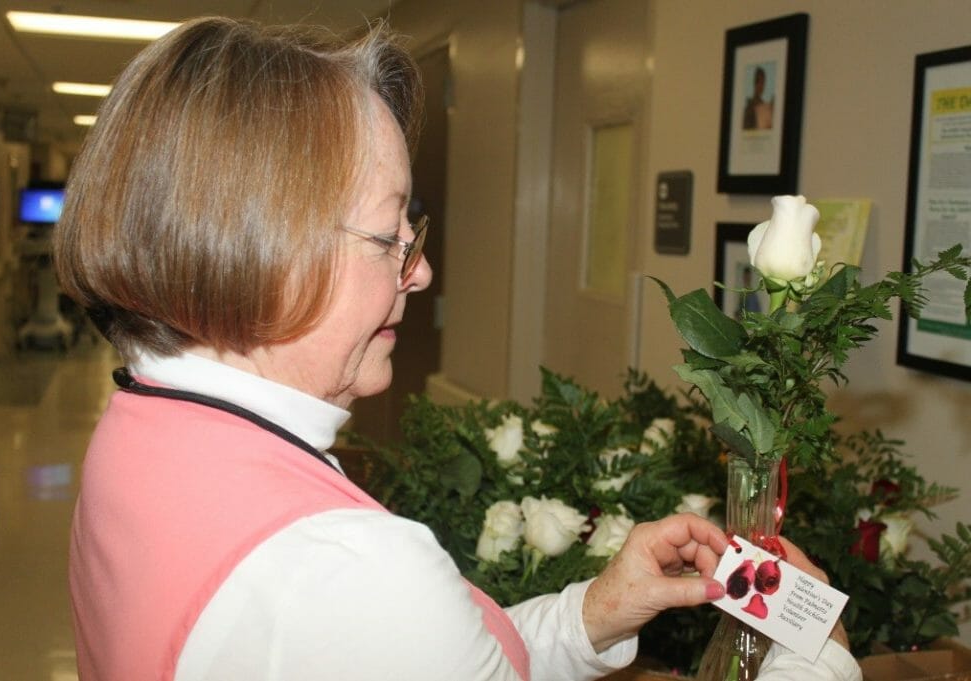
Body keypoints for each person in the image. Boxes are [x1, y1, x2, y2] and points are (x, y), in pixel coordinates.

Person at [55, 17, 860, 681]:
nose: (421, 267)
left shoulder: (146, 427)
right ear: (267, 249)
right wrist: (815, 656)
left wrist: (591, 613)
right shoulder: (343, 567)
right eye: (389, 234)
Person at [743, 66, 774, 130]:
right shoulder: (749, 107)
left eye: (764, 83)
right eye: (761, 82)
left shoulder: (764, 105)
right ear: (755, 83)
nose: (763, 86)